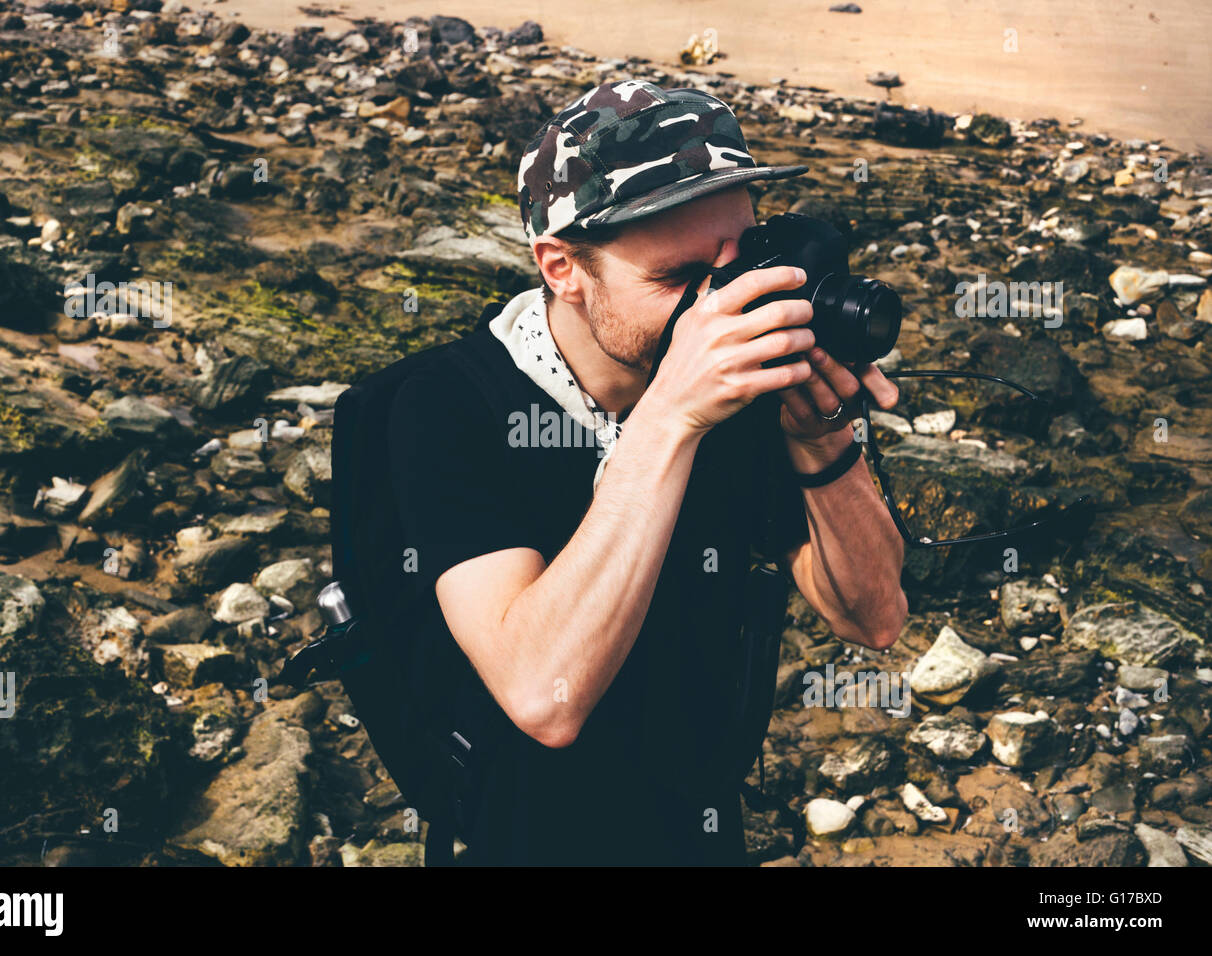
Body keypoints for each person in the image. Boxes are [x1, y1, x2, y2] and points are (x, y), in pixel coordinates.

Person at [388, 79, 907, 865]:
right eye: (677, 279)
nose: (717, 307)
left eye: (737, 263)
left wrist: (820, 436)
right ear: (562, 266)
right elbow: (542, 697)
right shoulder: (446, 406)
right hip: (516, 835)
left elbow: (873, 617)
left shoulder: (746, 385)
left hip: (696, 819)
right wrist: (671, 416)